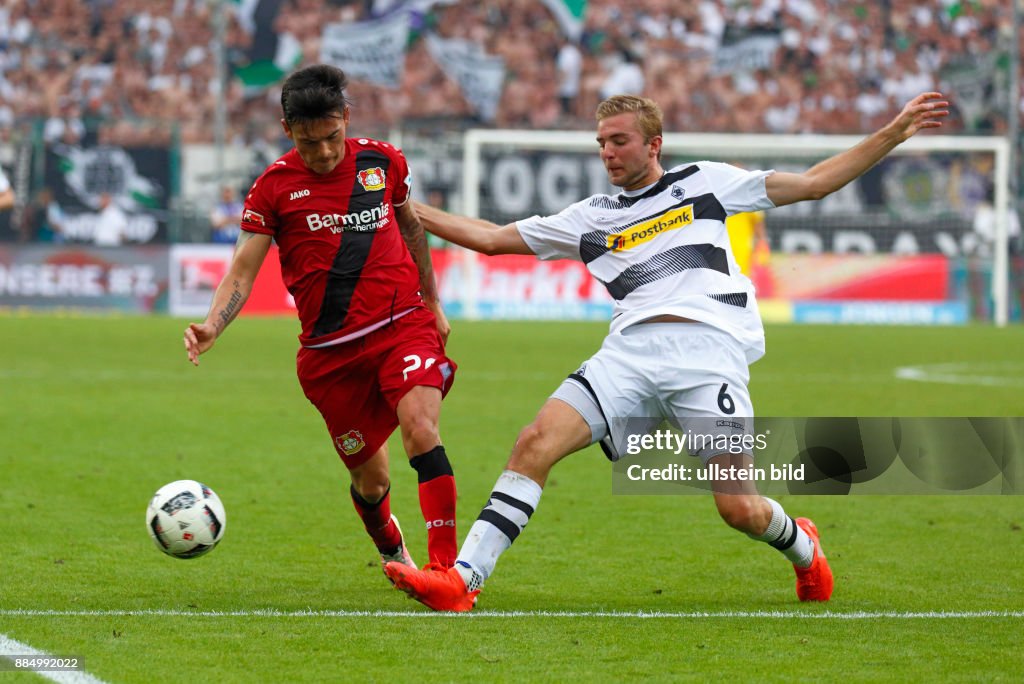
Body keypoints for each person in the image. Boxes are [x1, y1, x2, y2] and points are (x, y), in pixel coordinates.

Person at [384, 91, 949, 611]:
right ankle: (464, 582)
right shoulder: (590, 218)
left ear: (654, 144)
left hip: (707, 356)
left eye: (619, 141)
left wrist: (893, 133)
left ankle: (802, 546)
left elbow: (815, 183)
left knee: (739, 508)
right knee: (535, 441)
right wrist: (402, 202)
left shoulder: (705, 183)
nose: (607, 152)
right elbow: (487, 237)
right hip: (627, 355)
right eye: (601, 143)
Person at [183, 64, 461, 581]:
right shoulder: (273, 187)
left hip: (402, 323)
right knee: (371, 479)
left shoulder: (382, 162)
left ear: (346, 118)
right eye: (311, 143)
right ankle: (389, 543)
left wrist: (433, 301)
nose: (326, 152)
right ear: (288, 130)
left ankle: (448, 570)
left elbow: (413, 229)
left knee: (421, 428)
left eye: (333, 137)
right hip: (330, 356)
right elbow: (243, 268)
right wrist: (212, 326)